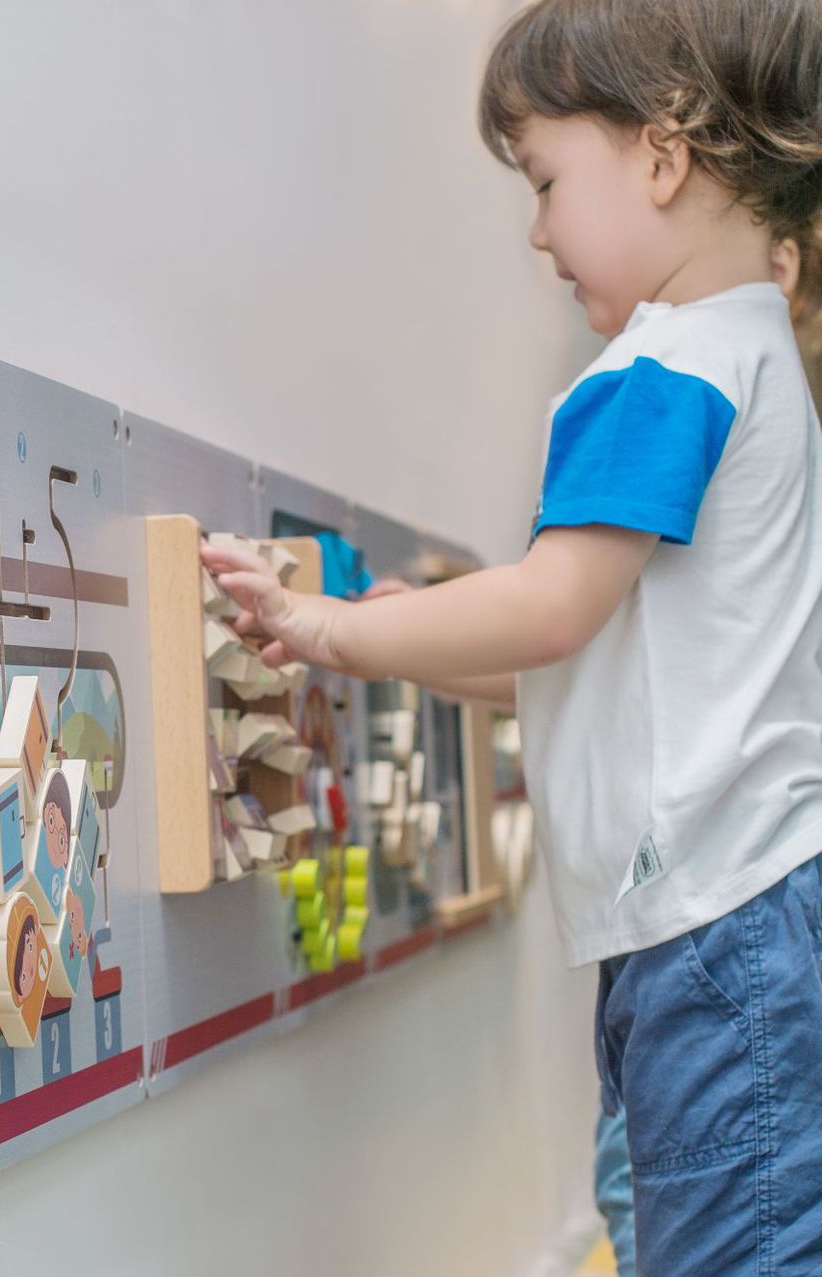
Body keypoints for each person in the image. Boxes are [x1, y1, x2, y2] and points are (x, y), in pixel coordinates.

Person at [205, 3, 822, 1271]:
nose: (537, 230)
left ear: (662, 156)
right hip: (725, 918)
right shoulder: (748, 349)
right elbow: (580, 648)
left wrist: (329, 626)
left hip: (717, 926)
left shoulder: (666, 368)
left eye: (544, 181)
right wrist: (400, 633)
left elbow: (549, 606)